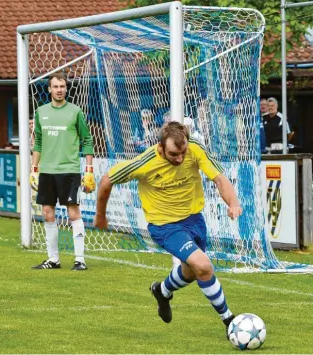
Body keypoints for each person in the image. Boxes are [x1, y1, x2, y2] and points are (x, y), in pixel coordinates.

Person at [94, 121, 242, 337]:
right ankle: (230, 321)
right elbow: (107, 181)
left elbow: (219, 179)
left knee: (191, 272)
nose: (180, 158)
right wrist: (100, 215)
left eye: (182, 153)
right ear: (161, 146)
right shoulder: (145, 162)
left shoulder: (195, 148)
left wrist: (233, 203)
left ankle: (162, 291)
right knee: (203, 266)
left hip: (194, 221)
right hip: (164, 226)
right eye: (174, 154)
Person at [30, 73, 95, 271]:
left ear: (66, 89)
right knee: (47, 212)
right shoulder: (41, 112)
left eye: (62, 86)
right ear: (49, 89)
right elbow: (39, 141)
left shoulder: (75, 112)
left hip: (69, 170)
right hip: (47, 171)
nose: (59, 89)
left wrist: (89, 170)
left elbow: (87, 140)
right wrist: (34, 169)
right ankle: (53, 259)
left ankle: (80, 259)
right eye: (55, 86)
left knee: (73, 212)